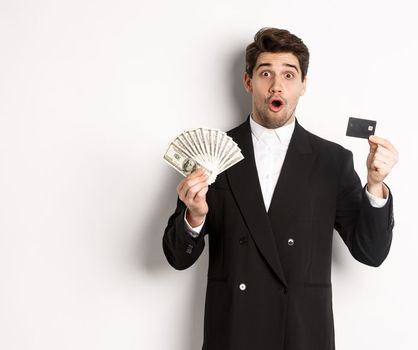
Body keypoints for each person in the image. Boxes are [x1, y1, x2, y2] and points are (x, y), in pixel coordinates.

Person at [162, 27, 399, 350]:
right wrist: (194, 217)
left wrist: (375, 185)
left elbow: (371, 252)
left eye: (289, 75)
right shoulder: (211, 155)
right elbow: (177, 258)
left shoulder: (332, 161)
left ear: (303, 85)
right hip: (233, 333)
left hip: (301, 335)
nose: (277, 85)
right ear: (249, 82)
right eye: (265, 74)